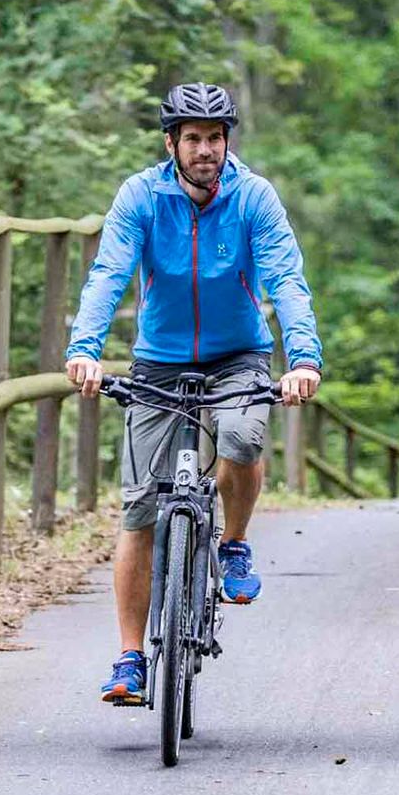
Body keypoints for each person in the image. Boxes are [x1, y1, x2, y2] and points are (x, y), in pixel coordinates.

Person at [66, 82, 322, 705]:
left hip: (239, 355)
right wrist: (85, 348)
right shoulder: (141, 197)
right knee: (140, 512)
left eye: (214, 138)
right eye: (193, 139)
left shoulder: (253, 196)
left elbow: (286, 276)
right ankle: (130, 658)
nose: (205, 150)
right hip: (158, 360)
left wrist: (304, 357)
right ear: (171, 144)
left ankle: (232, 544)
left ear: (227, 141)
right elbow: (110, 273)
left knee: (240, 435)